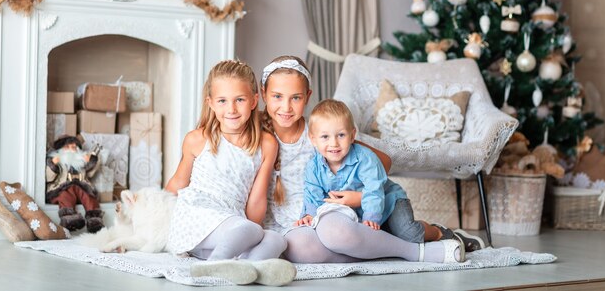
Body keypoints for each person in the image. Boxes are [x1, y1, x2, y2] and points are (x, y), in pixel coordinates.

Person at [259, 56, 477, 264]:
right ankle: (383, 247)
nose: (286, 107)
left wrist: (360, 197)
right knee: (298, 250)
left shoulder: (323, 131)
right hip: (304, 221)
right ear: (263, 94)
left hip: (339, 215)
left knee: (339, 232)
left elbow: (383, 162)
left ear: (307, 96)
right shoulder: (258, 135)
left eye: (295, 97)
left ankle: (413, 249)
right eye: (277, 96)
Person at [165, 59, 296, 286]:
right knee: (248, 229)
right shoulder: (197, 139)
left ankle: (246, 268)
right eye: (223, 101)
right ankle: (211, 267)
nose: (232, 109)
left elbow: (256, 203)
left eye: (240, 100)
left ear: (254, 100)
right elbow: (177, 183)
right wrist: (150, 209)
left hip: (233, 224)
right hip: (197, 218)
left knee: (277, 239)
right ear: (211, 103)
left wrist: (251, 228)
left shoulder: (266, 144)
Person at [298, 99, 463, 250]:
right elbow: (313, 194)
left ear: (352, 135)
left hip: (390, 202)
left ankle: (437, 231)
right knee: (366, 237)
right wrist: (309, 215)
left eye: (341, 135)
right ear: (313, 139)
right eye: (325, 137)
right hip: (358, 211)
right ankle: (385, 227)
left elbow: (374, 188)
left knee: (409, 234)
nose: (333, 143)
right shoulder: (313, 168)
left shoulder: (365, 158)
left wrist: (371, 217)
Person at [46, 135, 104, 233]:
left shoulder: (80, 163)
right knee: (65, 196)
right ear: (60, 150)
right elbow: (49, 177)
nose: (71, 150)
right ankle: (70, 220)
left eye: (74, 147)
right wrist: (53, 164)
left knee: (89, 196)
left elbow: (90, 173)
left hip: (81, 186)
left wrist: (91, 160)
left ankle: (95, 221)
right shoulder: (59, 161)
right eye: (67, 147)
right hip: (62, 188)